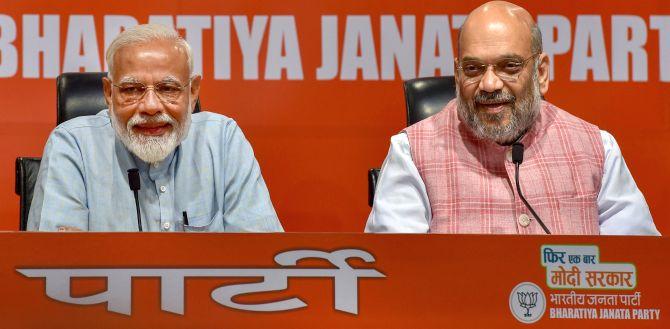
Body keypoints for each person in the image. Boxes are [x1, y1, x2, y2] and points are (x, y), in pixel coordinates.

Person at [366, 1, 660, 235]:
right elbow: (397, 278)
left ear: (541, 73)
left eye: (509, 66)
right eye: (473, 69)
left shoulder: (596, 148)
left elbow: (638, 268)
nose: (490, 84)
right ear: (457, 74)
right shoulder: (412, 153)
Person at [28, 24, 283, 232]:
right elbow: (56, 272)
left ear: (192, 92)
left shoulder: (223, 141)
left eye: (168, 89)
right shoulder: (73, 145)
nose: (150, 106)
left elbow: (259, 259)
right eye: (132, 90)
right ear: (108, 93)